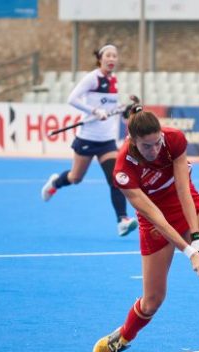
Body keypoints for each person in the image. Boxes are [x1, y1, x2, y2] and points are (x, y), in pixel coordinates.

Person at [92, 106, 199, 352]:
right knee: (153, 299)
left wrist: (197, 237)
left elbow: (183, 189)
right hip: (155, 220)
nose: (155, 150)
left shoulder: (175, 139)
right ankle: (124, 335)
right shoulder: (123, 171)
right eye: (147, 146)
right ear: (132, 141)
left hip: (186, 203)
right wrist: (189, 251)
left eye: (158, 143)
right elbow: (155, 216)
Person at [41, 44, 138, 236]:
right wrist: (94, 111)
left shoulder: (114, 81)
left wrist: (127, 106)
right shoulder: (92, 78)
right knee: (75, 178)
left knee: (115, 179)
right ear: (100, 58)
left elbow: (112, 106)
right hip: (88, 137)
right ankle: (55, 183)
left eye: (115, 56)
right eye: (108, 55)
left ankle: (122, 220)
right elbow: (72, 99)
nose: (112, 59)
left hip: (107, 140)